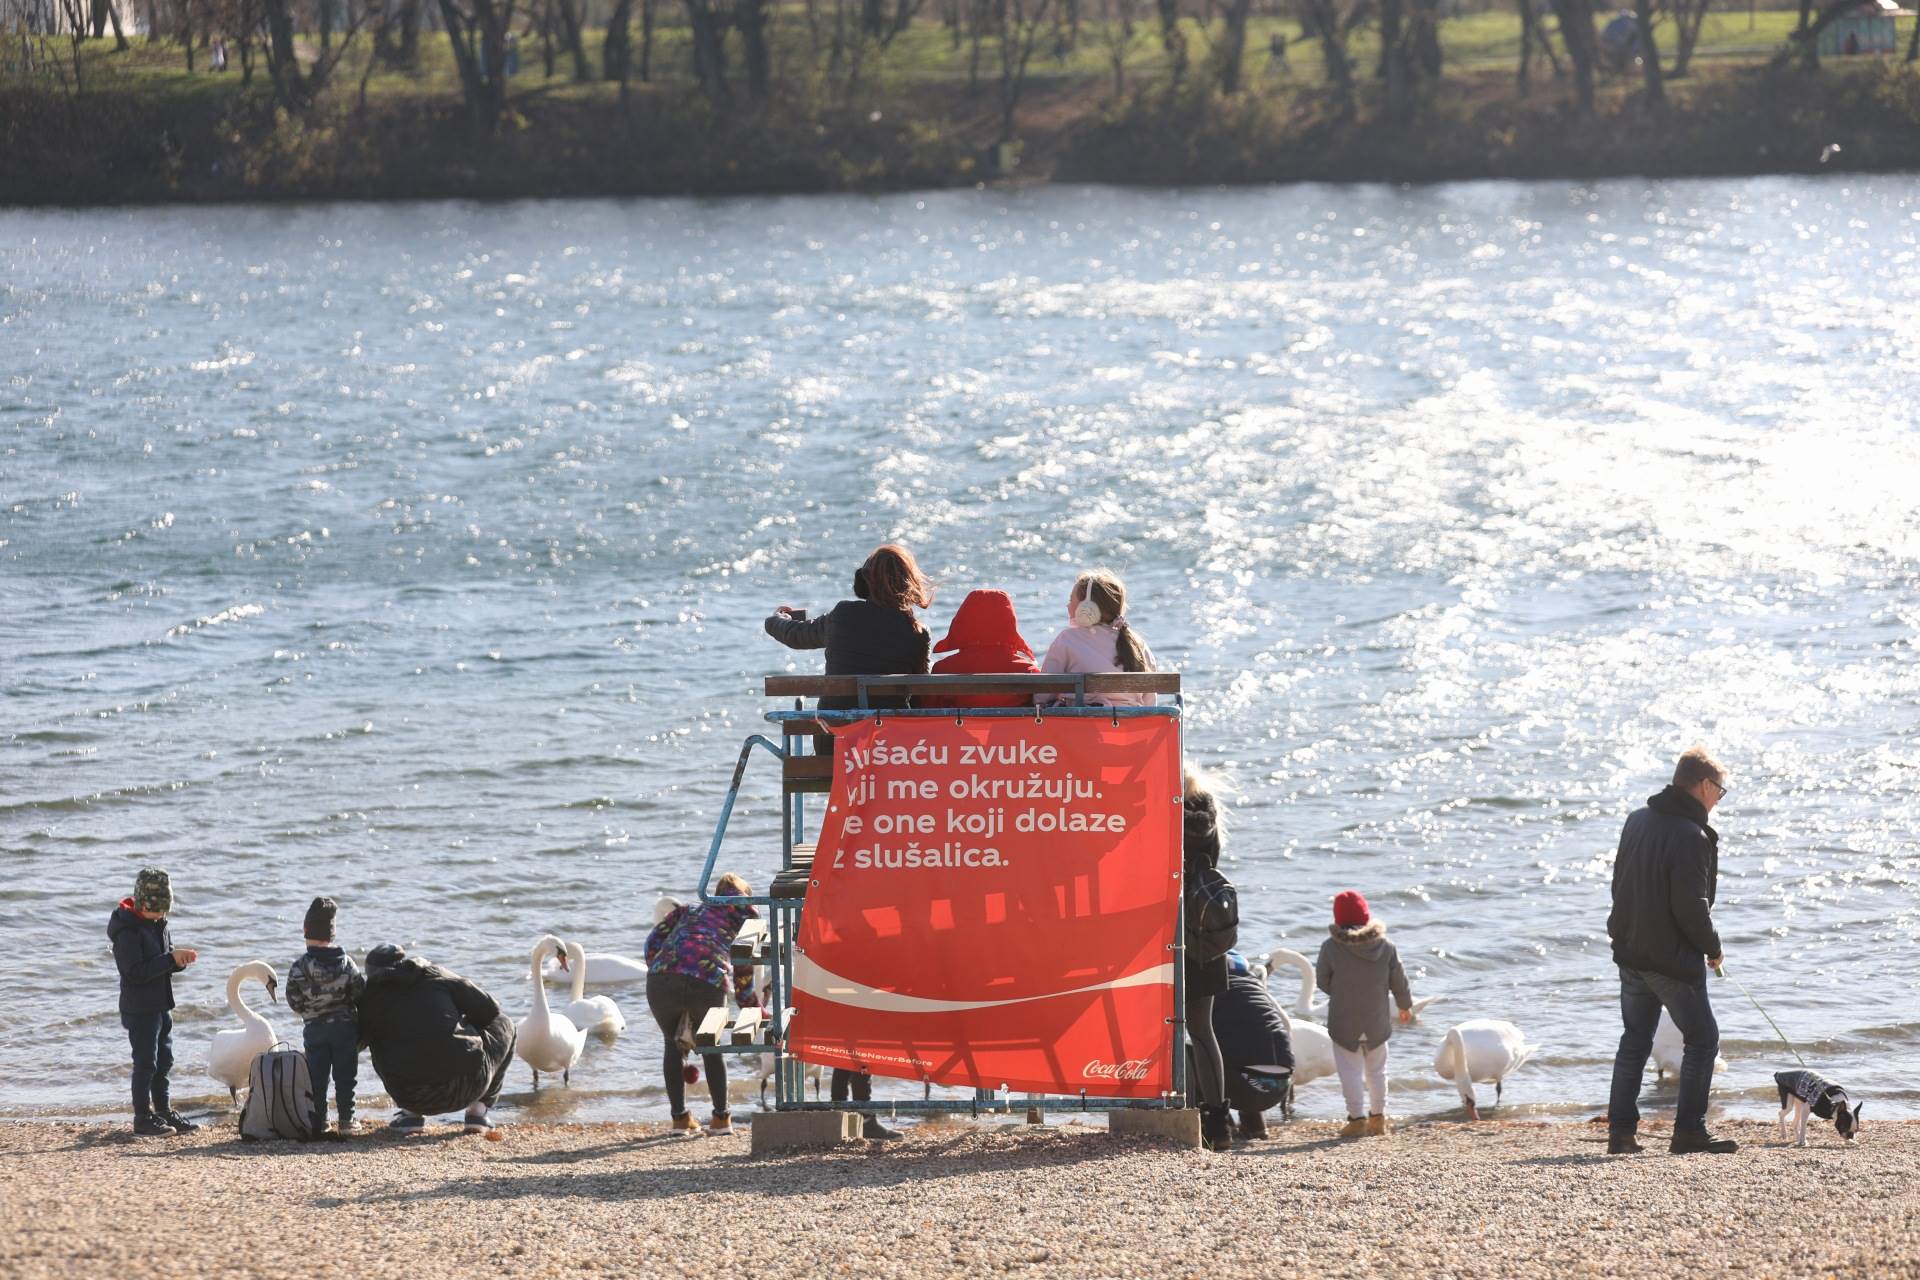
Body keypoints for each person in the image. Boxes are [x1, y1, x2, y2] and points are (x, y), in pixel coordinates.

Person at [1606, 746, 1736, 1156]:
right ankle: (1689, 1132)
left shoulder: (1637, 820)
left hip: (1630, 952)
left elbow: (1619, 886)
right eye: (1720, 790)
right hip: (1669, 960)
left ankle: (1621, 1134)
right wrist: (1713, 948)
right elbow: (1691, 907)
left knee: (1635, 1040)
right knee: (1703, 1038)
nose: (1719, 798)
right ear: (1702, 785)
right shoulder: (1691, 836)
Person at [764, 543, 935, 747]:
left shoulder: (844, 615)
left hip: (834, 747)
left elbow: (796, 636)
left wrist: (775, 619)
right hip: (890, 750)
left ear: (866, 581)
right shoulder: (917, 632)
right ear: (909, 583)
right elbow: (919, 697)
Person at [645, 874, 761, 1137]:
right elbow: (743, 968)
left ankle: (679, 1120)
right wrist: (749, 1005)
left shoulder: (688, 911)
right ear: (745, 896)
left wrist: (662, 966)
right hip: (707, 981)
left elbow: (652, 942)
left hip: (660, 982)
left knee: (671, 1045)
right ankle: (721, 1119)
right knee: (711, 1046)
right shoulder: (747, 917)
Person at [357, 942, 516, 1135]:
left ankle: (411, 1116)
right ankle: (478, 1113)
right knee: (505, 1023)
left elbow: (355, 1044)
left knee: (381, 1041)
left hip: (409, 1095)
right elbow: (491, 1010)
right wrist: (463, 1022)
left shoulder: (369, 999)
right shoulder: (434, 975)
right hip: (467, 1086)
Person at [108, 868, 200, 1137]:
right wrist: (170, 960)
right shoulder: (127, 932)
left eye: (165, 911)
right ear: (143, 905)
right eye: (158, 910)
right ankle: (142, 1118)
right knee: (146, 1063)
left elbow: (162, 961)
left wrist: (177, 961)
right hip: (139, 1009)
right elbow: (134, 972)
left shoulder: (159, 923)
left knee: (164, 1060)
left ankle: (163, 1110)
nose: (163, 916)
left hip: (161, 1005)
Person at [1316, 890, 1414, 1139]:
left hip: (1344, 1020)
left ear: (1337, 918)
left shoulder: (1330, 947)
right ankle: (1378, 1118)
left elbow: (1322, 981)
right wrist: (1405, 1005)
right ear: (1366, 916)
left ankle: (1356, 1119)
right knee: (1377, 1070)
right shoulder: (1386, 946)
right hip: (1376, 1021)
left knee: (1349, 1070)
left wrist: (1340, 992)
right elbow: (1399, 981)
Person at [286, 897, 364, 1140]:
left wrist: (309, 1011)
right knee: (345, 1076)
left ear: (305, 930)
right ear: (332, 934)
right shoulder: (347, 963)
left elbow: (292, 999)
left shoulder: (299, 966)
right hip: (344, 1029)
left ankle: (319, 1121)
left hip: (315, 1029)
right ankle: (347, 1120)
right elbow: (359, 993)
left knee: (317, 1078)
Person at [1184, 771, 1233, 1151]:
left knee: (1167, 1028)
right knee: (1204, 1031)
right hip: (1207, 937)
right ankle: (1219, 1123)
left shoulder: (1169, 820)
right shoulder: (1210, 824)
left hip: (1171, 936)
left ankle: (1173, 1104)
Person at [1037, 569, 1157, 705]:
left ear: (1087, 608)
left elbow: (1043, 694)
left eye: (1071, 599)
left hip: (1080, 724)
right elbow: (1150, 703)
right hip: (1130, 724)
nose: (1068, 605)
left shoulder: (1067, 639)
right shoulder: (1137, 643)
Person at [916, 588, 1041, 709]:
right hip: (1013, 731)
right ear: (1009, 622)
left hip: (957, 730)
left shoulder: (943, 670)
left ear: (962, 622)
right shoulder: (1028, 671)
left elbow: (928, 714)